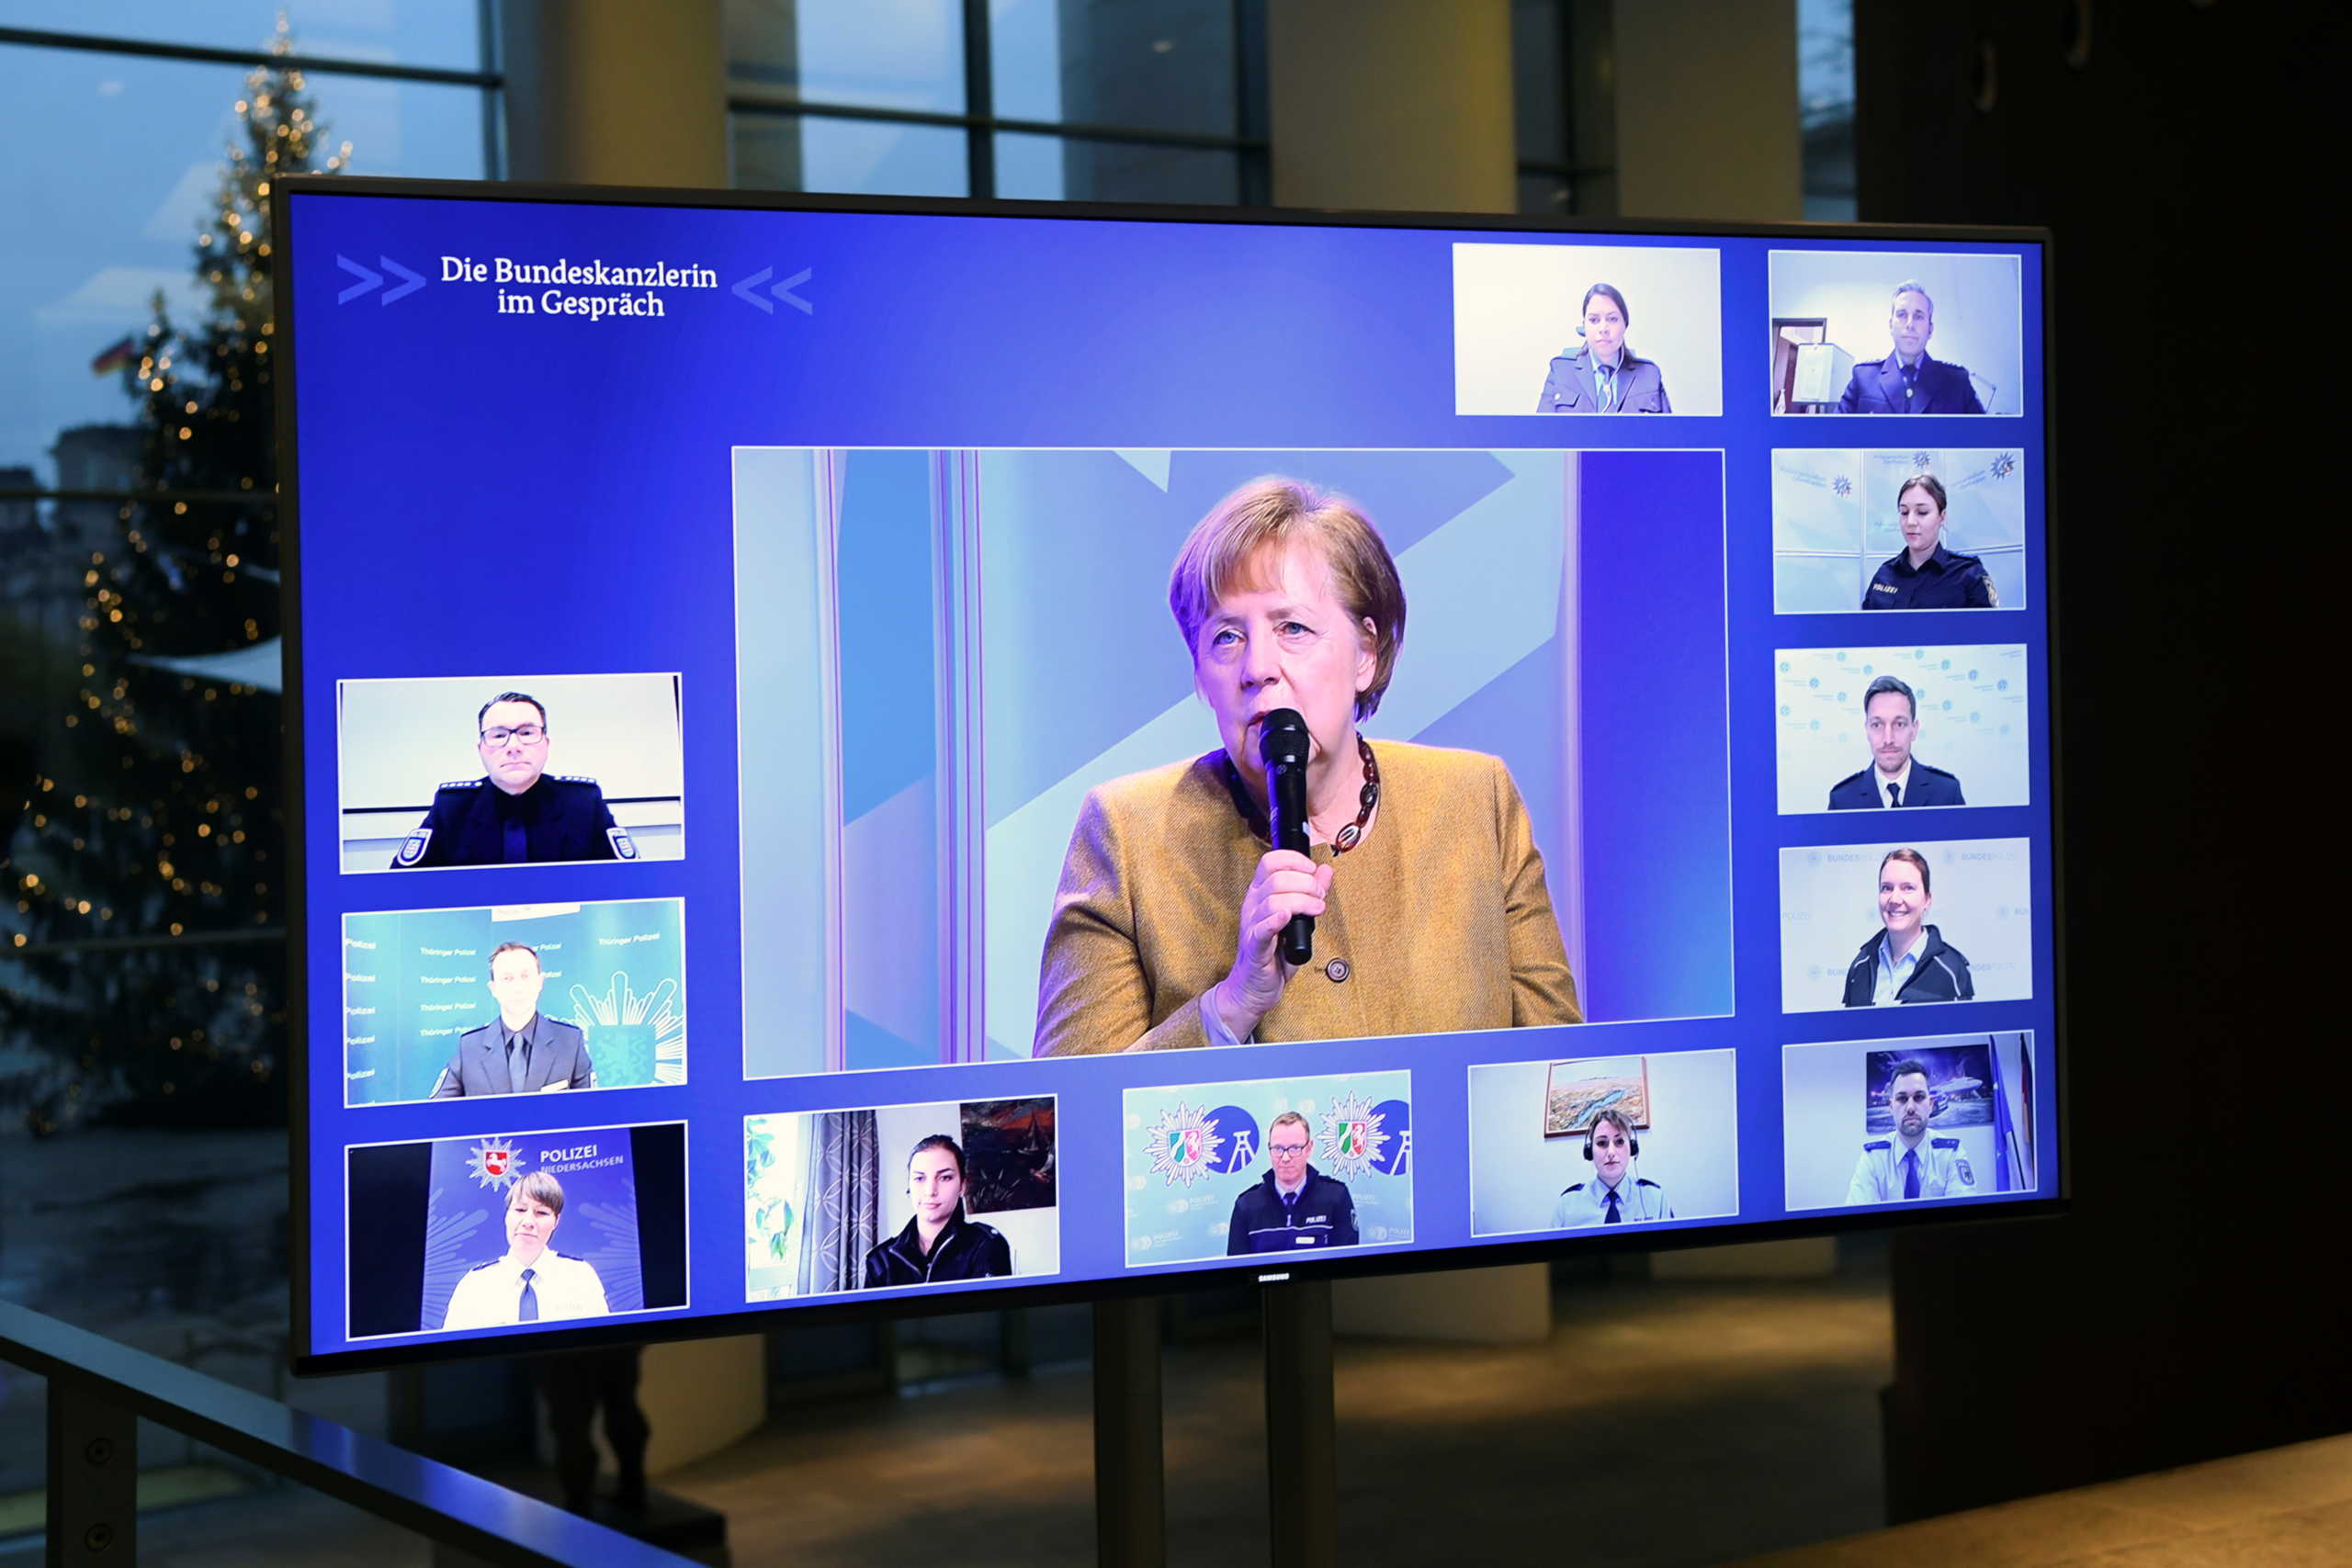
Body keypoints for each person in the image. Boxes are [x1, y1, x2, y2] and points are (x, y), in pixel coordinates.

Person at [1033, 478, 1580, 1055]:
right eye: (1225, 637)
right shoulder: (1125, 833)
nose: (1257, 667)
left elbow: (1557, 1076)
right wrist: (1233, 1004)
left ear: (1366, 653)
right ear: (1201, 675)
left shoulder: (1476, 800)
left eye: (1291, 628)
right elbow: (1075, 1114)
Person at [390, 691, 635, 867]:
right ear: (481, 749)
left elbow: (628, 879)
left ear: (546, 744)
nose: (514, 746)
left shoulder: (582, 801)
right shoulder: (452, 806)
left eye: (527, 733)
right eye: (498, 736)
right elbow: (403, 885)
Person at [440, 1170, 612, 1330]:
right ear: (507, 1215)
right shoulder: (474, 1284)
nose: (528, 1221)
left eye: (541, 1213)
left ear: (556, 1221)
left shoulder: (581, 1277)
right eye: (520, 1210)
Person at [429, 942, 595, 1098]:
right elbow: (434, 1114)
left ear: (540, 982)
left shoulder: (570, 1042)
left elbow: (593, 1112)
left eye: (525, 976)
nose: (518, 987)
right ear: (493, 988)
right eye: (507, 978)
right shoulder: (469, 1047)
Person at [861, 1135, 1014, 1288]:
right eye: (920, 1178)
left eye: (945, 1178)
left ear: (962, 1186)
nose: (930, 1191)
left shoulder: (985, 1244)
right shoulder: (880, 1260)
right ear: (909, 1187)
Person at [1840, 848, 1974, 1006]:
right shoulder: (1860, 965)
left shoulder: (1951, 970)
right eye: (1887, 888)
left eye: (1908, 888)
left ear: (1927, 899)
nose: (1895, 899)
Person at [1835, 281, 1984, 413]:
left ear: (1930, 330)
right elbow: (1834, 436)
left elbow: (1985, 440)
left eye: (1918, 316)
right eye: (1901, 315)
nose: (1910, 324)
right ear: (1890, 326)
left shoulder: (1957, 382)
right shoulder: (1863, 377)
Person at [1227, 1111, 1359, 1253]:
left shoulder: (1336, 1197)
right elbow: (1237, 1272)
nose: (1285, 1158)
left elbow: (1347, 1267)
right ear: (1269, 1150)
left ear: (1309, 1148)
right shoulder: (1246, 1205)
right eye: (1277, 1148)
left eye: (1295, 1148)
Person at [1861, 473, 1998, 610]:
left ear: (1942, 517)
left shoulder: (1969, 574)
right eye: (1904, 512)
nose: (1910, 522)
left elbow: (1991, 629)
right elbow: (1864, 628)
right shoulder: (1884, 574)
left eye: (1922, 512)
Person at [1847, 1058, 1977, 1201]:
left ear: (1931, 1105)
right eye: (1902, 1099)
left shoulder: (1951, 1154)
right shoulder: (1873, 1158)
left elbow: (1963, 1216)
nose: (1910, 1108)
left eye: (1919, 1097)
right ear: (1891, 1107)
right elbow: (1860, 1219)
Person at [1828, 676, 1966, 808]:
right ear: (1867, 730)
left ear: (1914, 729)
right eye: (1877, 725)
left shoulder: (1947, 794)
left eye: (1899, 724)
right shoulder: (1842, 800)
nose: (1888, 739)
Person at [1535, 283, 1672, 413]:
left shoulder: (1649, 375)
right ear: (1584, 326)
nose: (1603, 329)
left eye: (1612, 319)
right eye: (1594, 320)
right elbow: (1540, 433)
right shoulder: (1561, 371)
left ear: (1625, 324)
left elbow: (1669, 435)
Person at [1552, 1107, 1672, 1227]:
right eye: (1602, 1143)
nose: (1611, 1152)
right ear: (1589, 1151)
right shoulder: (1567, 1205)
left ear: (1632, 1147)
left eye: (1619, 1142)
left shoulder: (1656, 1199)